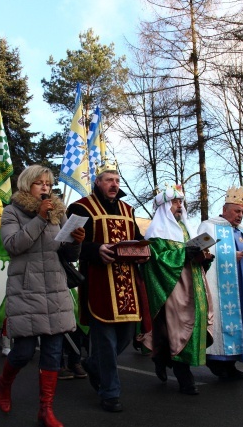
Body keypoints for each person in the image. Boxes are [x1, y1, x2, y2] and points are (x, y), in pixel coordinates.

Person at [0, 164, 85, 426]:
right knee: (23, 352)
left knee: (52, 352)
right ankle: (4, 383)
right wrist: (39, 219)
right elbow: (13, 245)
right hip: (26, 289)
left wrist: (77, 241)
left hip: (55, 288)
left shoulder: (59, 213)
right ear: (27, 185)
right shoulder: (12, 212)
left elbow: (67, 255)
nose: (45, 187)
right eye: (39, 183)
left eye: (48, 183)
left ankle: (46, 409)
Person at [67, 161, 148, 413]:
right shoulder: (80, 208)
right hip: (99, 281)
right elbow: (70, 244)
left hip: (127, 283)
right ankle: (110, 392)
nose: (114, 184)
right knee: (105, 340)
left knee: (124, 336)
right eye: (108, 180)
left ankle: (92, 364)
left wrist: (144, 250)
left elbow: (137, 238)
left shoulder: (128, 208)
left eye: (116, 180)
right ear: (97, 183)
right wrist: (94, 249)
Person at [141, 186, 213, 395]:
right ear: (164, 206)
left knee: (188, 328)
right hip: (173, 288)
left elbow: (194, 257)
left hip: (194, 285)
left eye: (181, 202)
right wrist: (183, 255)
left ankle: (161, 359)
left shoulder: (187, 229)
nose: (179, 206)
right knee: (179, 329)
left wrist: (204, 259)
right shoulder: (156, 231)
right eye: (175, 202)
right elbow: (155, 262)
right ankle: (185, 379)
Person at [197, 186, 243, 380]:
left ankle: (231, 363)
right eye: (237, 211)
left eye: (242, 212)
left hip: (242, 289)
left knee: (241, 323)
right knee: (222, 324)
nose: (240, 215)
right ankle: (218, 361)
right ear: (225, 209)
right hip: (220, 289)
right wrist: (230, 256)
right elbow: (201, 252)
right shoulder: (209, 226)